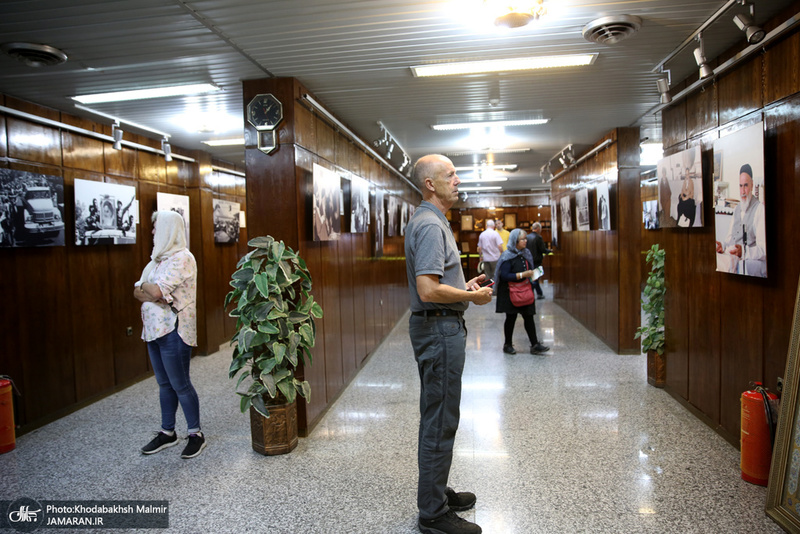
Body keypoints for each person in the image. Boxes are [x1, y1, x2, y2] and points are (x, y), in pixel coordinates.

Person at [405, 154, 492, 534]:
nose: (458, 180)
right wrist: (472, 298)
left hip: (442, 326)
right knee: (440, 421)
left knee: (439, 416)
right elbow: (427, 289)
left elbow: (438, 282)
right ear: (430, 184)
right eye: (450, 174)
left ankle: (435, 492)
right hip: (439, 330)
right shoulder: (428, 224)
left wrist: (463, 288)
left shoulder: (434, 220)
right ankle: (433, 514)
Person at [135, 210, 205, 459]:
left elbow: (153, 292)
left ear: (168, 229)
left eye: (156, 228)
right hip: (154, 331)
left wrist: (149, 290)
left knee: (180, 384)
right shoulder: (157, 260)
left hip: (174, 331)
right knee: (164, 384)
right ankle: (168, 432)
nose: (153, 232)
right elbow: (138, 291)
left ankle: (195, 434)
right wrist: (148, 290)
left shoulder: (183, 258)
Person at [497, 229, 550, 355]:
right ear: (515, 241)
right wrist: (522, 274)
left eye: (525, 239)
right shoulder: (507, 256)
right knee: (511, 318)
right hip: (511, 292)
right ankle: (507, 344)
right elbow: (504, 275)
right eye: (522, 239)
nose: (525, 241)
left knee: (529, 317)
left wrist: (534, 274)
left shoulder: (526, 253)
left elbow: (529, 270)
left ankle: (535, 344)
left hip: (525, 290)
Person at [715, 164, 766, 277]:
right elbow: (729, 239)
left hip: (745, 258)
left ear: (752, 185)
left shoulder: (759, 209)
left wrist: (743, 251)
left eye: (746, 186)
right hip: (731, 255)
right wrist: (722, 246)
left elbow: (763, 250)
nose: (743, 191)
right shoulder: (737, 209)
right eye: (740, 186)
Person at [525, 222, 551, 299]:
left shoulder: (527, 237)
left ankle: (536, 293)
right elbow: (542, 249)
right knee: (535, 278)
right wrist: (550, 251)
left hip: (529, 260)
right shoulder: (538, 237)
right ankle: (535, 294)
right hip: (536, 261)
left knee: (532, 277)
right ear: (538, 228)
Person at [476, 218, 503, 284]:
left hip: (486, 258)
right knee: (495, 275)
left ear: (486, 225)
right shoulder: (495, 234)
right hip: (495, 258)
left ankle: (487, 290)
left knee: (487, 275)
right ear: (493, 226)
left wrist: (480, 256)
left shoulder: (482, 234)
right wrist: (502, 254)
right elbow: (499, 246)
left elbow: (479, 248)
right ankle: (494, 291)